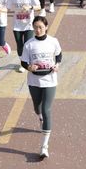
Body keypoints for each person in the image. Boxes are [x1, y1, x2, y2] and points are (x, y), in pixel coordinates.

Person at [21, 15, 62, 160]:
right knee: (37, 108)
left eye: (40, 27)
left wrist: (57, 65)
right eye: (35, 27)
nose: (38, 30)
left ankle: (44, 146)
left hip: (50, 80)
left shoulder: (53, 41)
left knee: (46, 109)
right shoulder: (29, 44)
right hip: (34, 81)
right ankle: (39, 116)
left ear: (46, 27)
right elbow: (24, 62)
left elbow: (59, 55)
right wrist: (29, 67)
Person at [8, 0, 42, 72]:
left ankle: (29, 63)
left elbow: (39, 7)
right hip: (17, 25)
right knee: (19, 45)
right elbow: (8, 7)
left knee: (27, 44)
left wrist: (30, 7)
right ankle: (22, 63)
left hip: (28, 24)